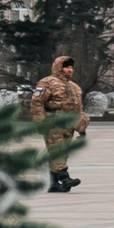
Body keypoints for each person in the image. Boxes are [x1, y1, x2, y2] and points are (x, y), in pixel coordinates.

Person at [29, 55, 85, 192]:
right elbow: (36, 103)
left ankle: (53, 183)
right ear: (59, 67)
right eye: (66, 67)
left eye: (71, 67)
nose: (70, 70)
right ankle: (65, 178)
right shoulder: (47, 83)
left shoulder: (74, 87)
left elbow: (78, 108)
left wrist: (82, 128)